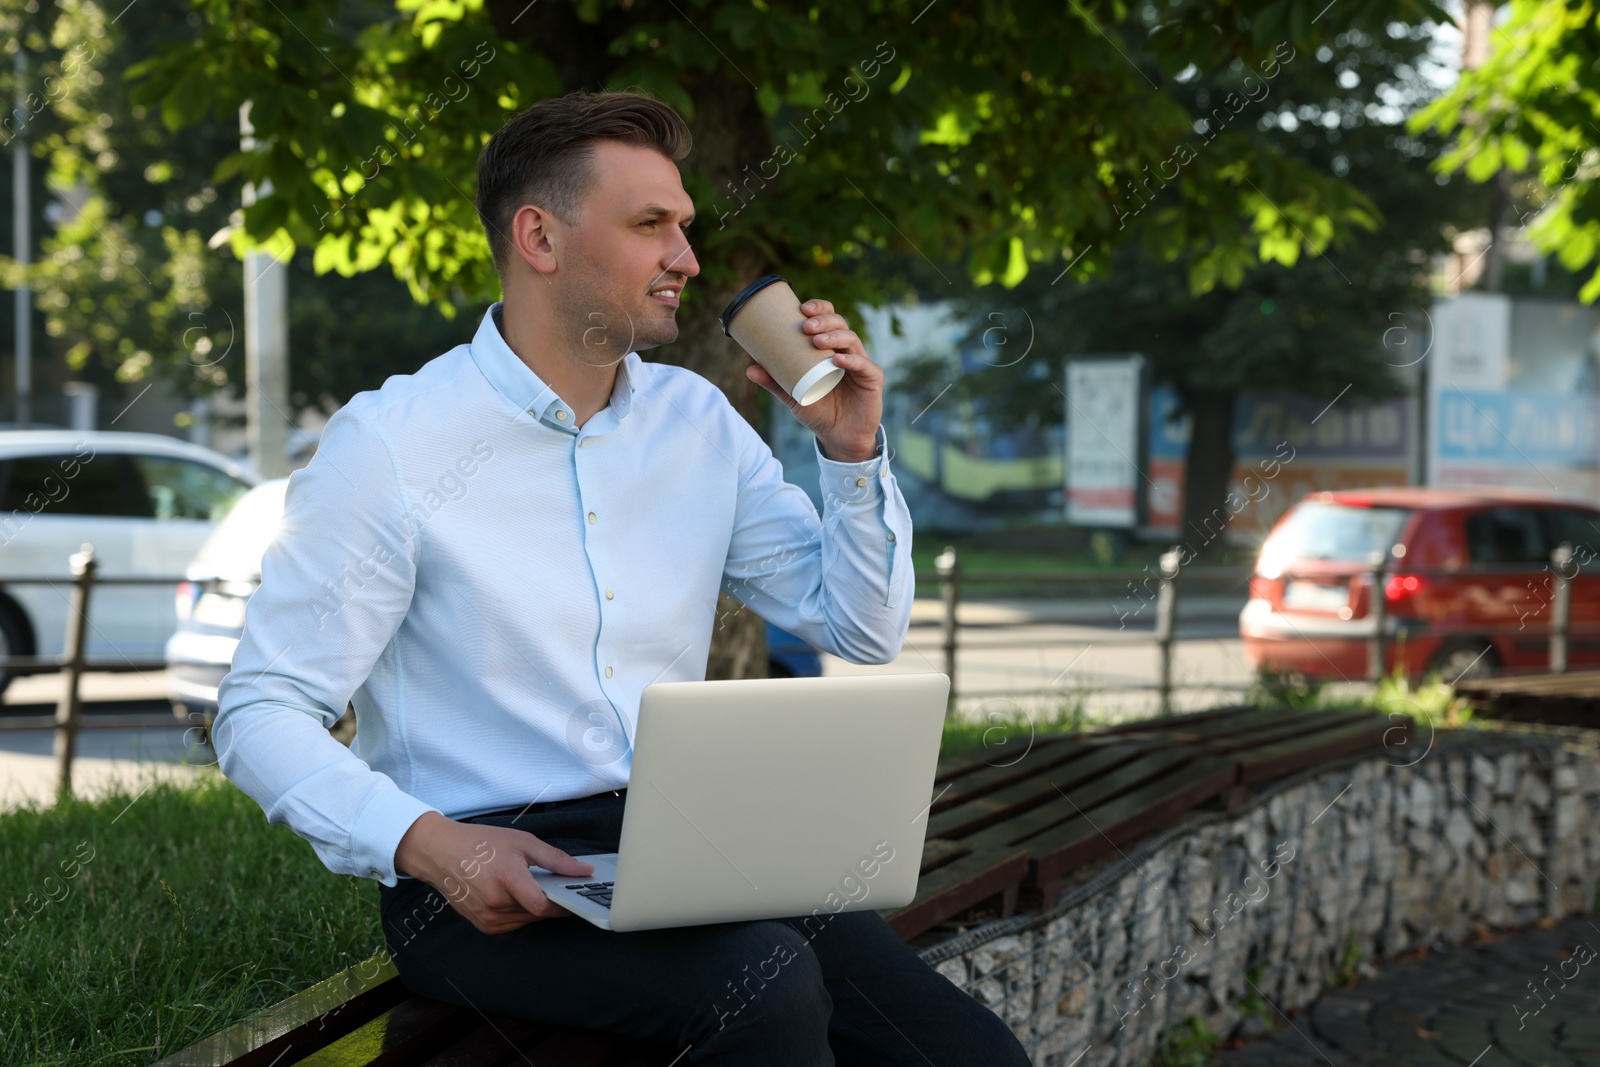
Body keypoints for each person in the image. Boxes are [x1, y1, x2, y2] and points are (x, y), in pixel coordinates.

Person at [214, 88, 1031, 1066]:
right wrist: (434, 844)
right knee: (764, 986)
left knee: (967, 1053)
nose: (686, 258)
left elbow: (858, 627)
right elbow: (259, 710)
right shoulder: (389, 444)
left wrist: (851, 456)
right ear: (540, 238)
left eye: (683, 226)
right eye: (652, 226)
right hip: (475, 875)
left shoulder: (696, 423)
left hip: (682, 846)